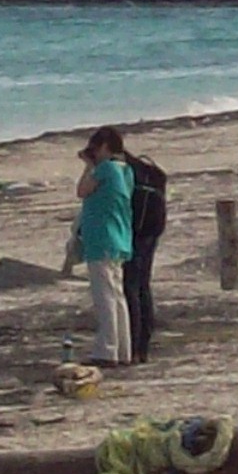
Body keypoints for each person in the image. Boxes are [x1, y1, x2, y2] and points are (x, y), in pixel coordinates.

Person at [75, 125, 134, 366]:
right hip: (118, 238)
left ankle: (107, 350)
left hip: (102, 239)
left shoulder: (106, 169)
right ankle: (122, 349)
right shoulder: (126, 170)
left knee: (105, 297)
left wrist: (88, 166)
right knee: (117, 295)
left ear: (105, 147)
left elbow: (81, 190)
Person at [122, 142, 168, 364]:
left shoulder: (124, 171)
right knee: (143, 286)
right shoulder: (148, 170)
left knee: (130, 287)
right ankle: (144, 345)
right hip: (152, 231)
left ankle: (134, 345)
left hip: (136, 233)